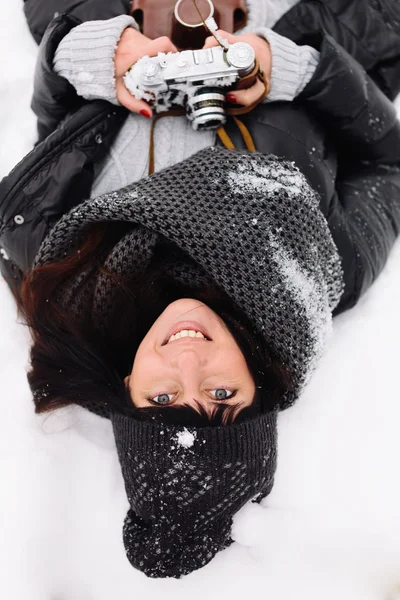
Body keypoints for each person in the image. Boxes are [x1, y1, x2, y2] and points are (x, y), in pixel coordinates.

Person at [1, 0, 400, 579]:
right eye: (221, 397)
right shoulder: (317, 265)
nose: (188, 359)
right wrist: (284, 65)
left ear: (128, 388)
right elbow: (387, 162)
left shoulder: (60, 260)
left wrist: (96, 55)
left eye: (163, 400)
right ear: (258, 383)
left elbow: (58, 123)